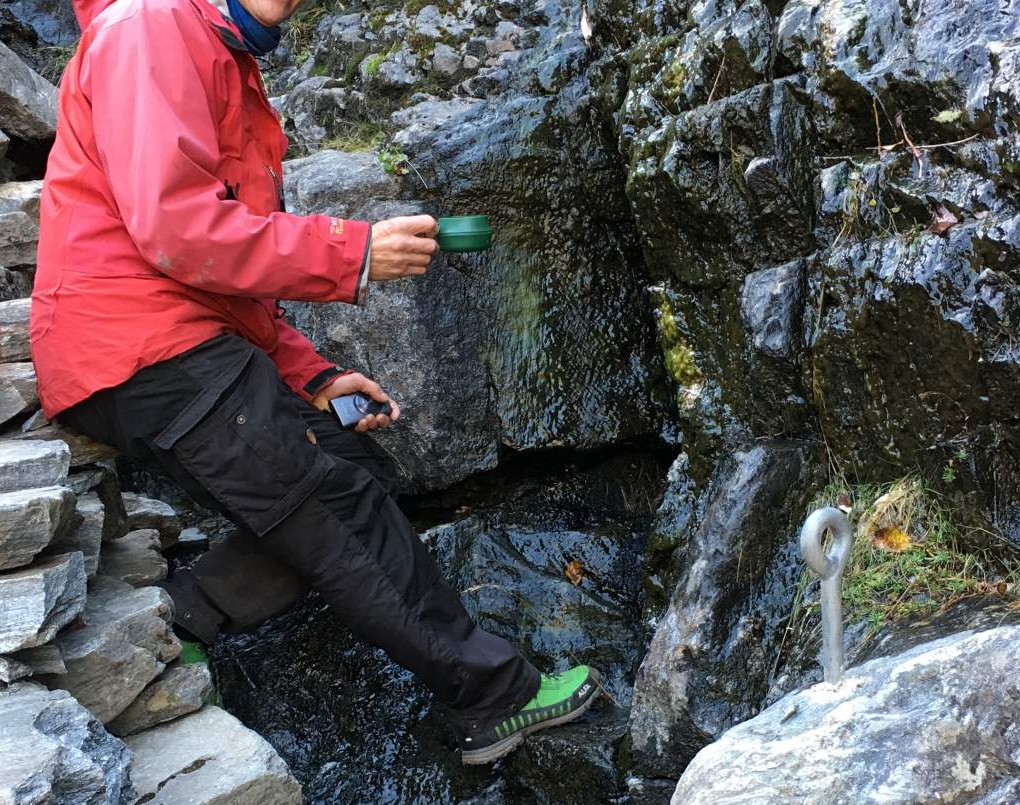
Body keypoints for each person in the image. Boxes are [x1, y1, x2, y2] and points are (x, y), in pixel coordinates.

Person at [31, 0, 603, 764]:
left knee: (358, 467)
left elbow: (220, 273)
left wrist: (315, 372)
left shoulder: (218, 44)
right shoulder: (151, 25)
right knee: (339, 511)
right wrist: (353, 252)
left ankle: (184, 620)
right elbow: (176, 233)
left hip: (178, 344)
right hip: (142, 349)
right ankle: (492, 702)